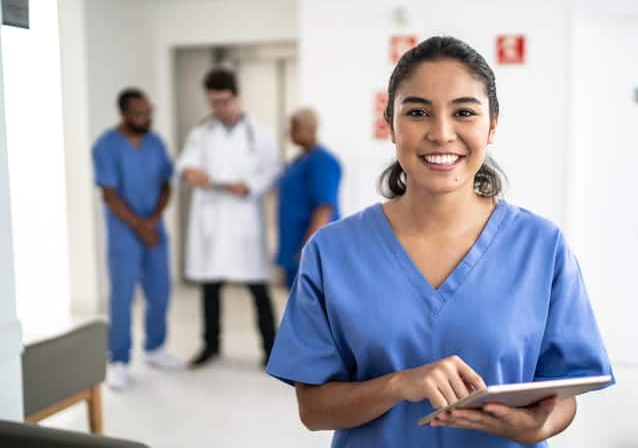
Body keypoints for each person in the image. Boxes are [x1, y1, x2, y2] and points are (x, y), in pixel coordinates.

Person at [266, 37, 614, 447]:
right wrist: (399, 384)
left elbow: (566, 393)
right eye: (417, 112)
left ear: (492, 125)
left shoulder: (541, 247)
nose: (441, 133)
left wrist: (541, 425)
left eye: (464, 112)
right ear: (391, 125)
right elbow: (314, 410)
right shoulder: (332, 252)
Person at [177, 67, 279, 368]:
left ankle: (271, 351)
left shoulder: (259, 133)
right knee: (210, 287)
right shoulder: (201, 134)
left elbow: (271, 170)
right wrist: (189, 172)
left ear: (237, 98)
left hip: (244, 217)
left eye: (224, 102)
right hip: (212, 220)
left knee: (258, 289)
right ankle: (210, 345)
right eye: (213, 103)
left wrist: (250, 185)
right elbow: (186, 165)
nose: (219, 108)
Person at [92, 88, 182, 390]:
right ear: (124, 115)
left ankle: (155, 348)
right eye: (140, 114)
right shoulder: (105, 146)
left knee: (160, 292)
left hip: (154, 229)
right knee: (122, 296)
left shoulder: (156, 143)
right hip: (124, 234)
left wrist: (154, 219)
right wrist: (139, 225)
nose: (147, 118)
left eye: (149, 112)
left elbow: (166, 184)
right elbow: (109, 194)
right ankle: (118, 360)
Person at [276, 107, 342, 289]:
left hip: (310, 249)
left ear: (310, 128)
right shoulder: (299, 161)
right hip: (293, 245)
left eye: (294, 127)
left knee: (313, 308)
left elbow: (324, 208)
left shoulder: (322, 161)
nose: (289, 132)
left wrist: (309, 249)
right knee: (296, 306)